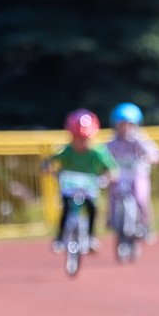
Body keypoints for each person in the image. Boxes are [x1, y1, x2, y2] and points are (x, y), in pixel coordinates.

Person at [45, 109, 118, 254]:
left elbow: (110, 167)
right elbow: (50, 162)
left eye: (84, 139)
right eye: (78, 139)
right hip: (69, 187)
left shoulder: (98, 152)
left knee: (92, 208)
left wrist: (110, 176)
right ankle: (60, 238)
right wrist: (49, 169)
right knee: (66, 209)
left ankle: (91, 237)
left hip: (89, 187)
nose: (81, 143)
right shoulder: (66, 151)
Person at [106, 103, 159, 242]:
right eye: (122, 124)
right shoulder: (112, 142)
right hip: (120, 176)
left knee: (140, 197)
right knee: (113, 197)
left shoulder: (139, 139)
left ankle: (145, 225)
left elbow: (154, 153)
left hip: (137, 174)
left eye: (129, 124)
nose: (125, 128)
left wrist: (152, 158)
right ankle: (113, 221)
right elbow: (104, 156)